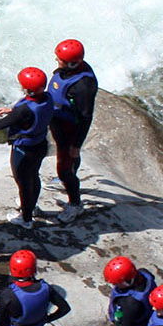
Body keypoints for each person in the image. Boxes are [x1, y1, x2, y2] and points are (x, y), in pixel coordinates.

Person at [0, 67, 57, 227]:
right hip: (40, 145)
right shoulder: (47, 97)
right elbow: (29, 114)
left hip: (24, 151)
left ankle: (26, 218)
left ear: (28, 89)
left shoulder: (23, 110)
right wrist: (12, 111)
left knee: (23, 184)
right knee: (34, 176)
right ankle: (32, 206)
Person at [48, 39, 98, 218]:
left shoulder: (83, 86)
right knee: (67, 163)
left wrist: (76, 145)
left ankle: (75, 203)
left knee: (64, 167)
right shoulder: (70, 70)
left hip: (70, 129)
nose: (56, 61)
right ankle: (68, 178)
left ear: (71, 63)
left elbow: (86, 117)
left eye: (59, 59)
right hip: (59, 123)